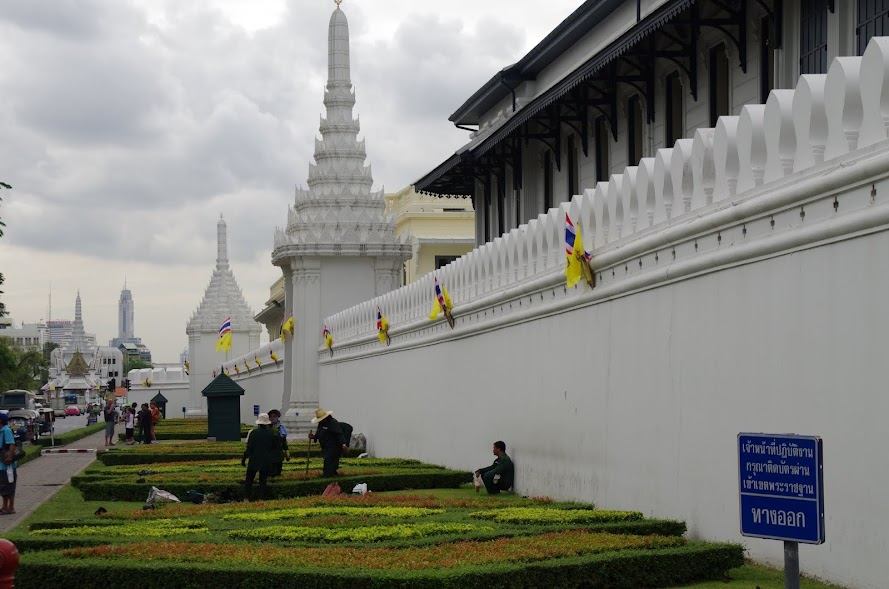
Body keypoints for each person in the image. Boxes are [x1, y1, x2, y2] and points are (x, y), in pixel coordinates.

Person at [242, 413, 277, 501]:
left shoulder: (254, 433)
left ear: (258, 423)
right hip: (266, 460)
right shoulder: (271, 433)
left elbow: (249, 448)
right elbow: (274, 447)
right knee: (263, 480)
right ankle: (261, 498)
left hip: (254, 459)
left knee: (249, 480)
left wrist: (244, 459)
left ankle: (246, 498)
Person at [308, 408, 349, 477]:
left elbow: (339, 434)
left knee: (330, 463)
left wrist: (344, 445)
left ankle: (330, 476)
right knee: (328, 462)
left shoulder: (333, 423)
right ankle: (330, 476)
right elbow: (319, 433)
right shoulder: (321, 424)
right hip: (326, 447)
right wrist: (314, 437)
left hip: (334, 447)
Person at [0, 413, 17, 515]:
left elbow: (11, 444)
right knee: (3, 486)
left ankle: (11, 507)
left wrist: (9, 458)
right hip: (1, 464)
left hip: (7, 465)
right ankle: (4, 506)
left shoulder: (6, 430)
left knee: (9, 485)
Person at [267, 409, 289, 476]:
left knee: (278, 472)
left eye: (274, 416)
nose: (273, 418)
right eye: (271, 416)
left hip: (279, 454)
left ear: (277, 417)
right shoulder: (267, 428)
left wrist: (287, 451)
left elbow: (284, 441)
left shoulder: (281, 428)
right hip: (269, 455)